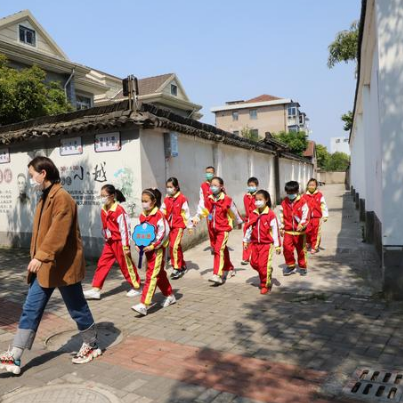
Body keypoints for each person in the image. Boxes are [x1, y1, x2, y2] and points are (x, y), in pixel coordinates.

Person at [0, 157, 100, 375]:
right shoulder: (44, 197)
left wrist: (40, 256)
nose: (31, 178)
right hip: (45, 267)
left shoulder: (62, 198)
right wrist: (39, 257)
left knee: (77, 308)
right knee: (30, 308)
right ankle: (15, 355)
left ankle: (91, 344)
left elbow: (58, 233)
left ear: (43, 173)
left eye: (32, 174)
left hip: (62, 267)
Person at [84, 185, 141, 300]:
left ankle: (137, 287)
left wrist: (126, 246)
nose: (102, 198)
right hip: (109, 242)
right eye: (101, 196)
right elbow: (105, 226)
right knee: (102, 263)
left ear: (112, 196)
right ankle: (96, 289)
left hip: (120, 242)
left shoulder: (119, 210)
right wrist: (105, 236)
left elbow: (125, 229)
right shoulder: (104, 209)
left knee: (126, 265)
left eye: (104, 196)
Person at [131, 188, 176, 316]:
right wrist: (138, 245)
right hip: (147, 250)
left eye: (146, 201)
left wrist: (154, 246)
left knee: (151, 276)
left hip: (157, 251)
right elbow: (141, 233)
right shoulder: (142, 215)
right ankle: (169, 295)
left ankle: (144, 304)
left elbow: (164, 234)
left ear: (154, 201)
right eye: (142, 201)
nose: (144, 203)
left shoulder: (159, 216)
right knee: (159, 273)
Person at [193, 177, 243, 285]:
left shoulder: (227, 199)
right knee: (222, 249)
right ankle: (229, 267)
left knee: (218, 250)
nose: (213, 187)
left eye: (215, 185)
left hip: (223, 229)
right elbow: (204, 211)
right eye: (211, 185)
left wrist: (239, 222)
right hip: (212, 229)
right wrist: (197, 218)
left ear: (221, 187)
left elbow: (234, 211)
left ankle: (217, 274)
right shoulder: (209, 198)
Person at [243, 190, 281, 294]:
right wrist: (246, 241)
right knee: (254, 263)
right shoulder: (253, 214)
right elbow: (249, 228)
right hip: (255, 244)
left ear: (266, 200)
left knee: (263, 266)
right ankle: (268, 271)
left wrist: (277, 246)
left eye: (260, 199)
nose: (258, 202)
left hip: (266, 245)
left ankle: (265, 284)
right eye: (256, 200)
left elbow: (275, 231)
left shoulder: (271, 215)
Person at [161, 177, 193, 280]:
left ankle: (177, 268)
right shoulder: (166, 199)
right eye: (167, 187)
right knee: (176, 247)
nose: (169, 189)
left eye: (171, 187)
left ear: (176, 187)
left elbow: (186, 213)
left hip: (178, 226)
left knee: (173, 246)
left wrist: (189, 226)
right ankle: (182, 265)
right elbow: (162, 212)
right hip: (169, 227)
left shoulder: (182, 199)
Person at [279, 181, 310, 276]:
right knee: (287, 249)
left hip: (299, 232)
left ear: (297, 191)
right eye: (288, 193)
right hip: (288, 231)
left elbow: (306, 215)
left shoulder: (303, 201)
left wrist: (302, 224)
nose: (290, 194)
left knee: (301, 250)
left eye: (292, 193)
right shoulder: (284, 202)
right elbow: (281, 215)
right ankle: (291, 266)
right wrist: (281, 227)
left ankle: (303, 267)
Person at [303, 178, 329, 254]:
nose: (311, 186)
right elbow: (301, 207)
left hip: (317, 218)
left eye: (313, 185)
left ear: (316, 186)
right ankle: (308, 242)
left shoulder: (319, 195)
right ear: (307, 186)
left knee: (316, 232)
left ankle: (315, 246)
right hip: (307, 218)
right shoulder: (304, 196)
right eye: (310, 185)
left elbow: (323, 205)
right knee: (307, 231)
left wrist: (325, 215)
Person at [196, 166, 216, 253]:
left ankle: (219, 244)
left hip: (218, 210)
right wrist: (200, 213)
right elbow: (201, 199)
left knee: (218, 228)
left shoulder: (217, 184)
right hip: (209, 212)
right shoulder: (203, 186)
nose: (208, 174)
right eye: (207, 172)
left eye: (210, 172)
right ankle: (213, 246)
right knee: (211, 228)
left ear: (214, 173)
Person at [241, 177, 259, 265]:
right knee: (246, 239)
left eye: (252, 185)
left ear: (256, 186)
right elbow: (247, 208)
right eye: (249, 186)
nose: (250, 187)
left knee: (257, 239)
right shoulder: (246, 196)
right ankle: (245, 257)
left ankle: (257, 257)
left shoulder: (259, 196)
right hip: (248, 221)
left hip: (257, 220)